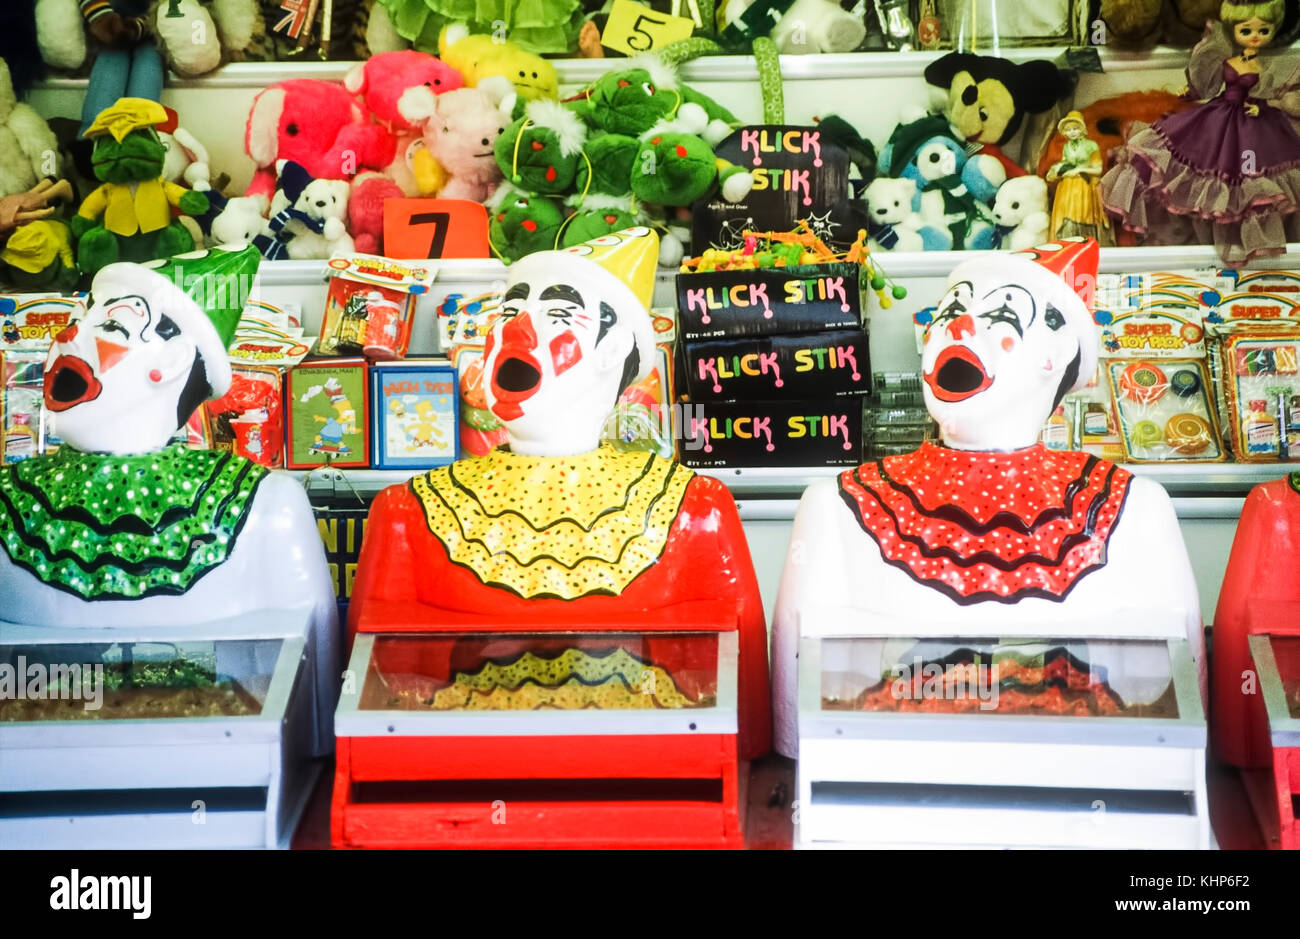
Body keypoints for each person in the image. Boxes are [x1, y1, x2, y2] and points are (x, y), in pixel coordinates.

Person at [349, 227, 772, 759]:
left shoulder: (695, 511)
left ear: (613, 348)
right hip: (454, 785)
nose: (517, 331)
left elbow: (742, 719)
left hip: (655, 785)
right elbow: (371, 717)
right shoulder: (406, 514)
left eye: (558, 316)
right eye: (508, 314)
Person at [1099, 0, 1300, 265]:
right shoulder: (1227, 58)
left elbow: (1266, 93)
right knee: (1190, 160)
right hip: (1221, 115)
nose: (1255, 37)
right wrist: (1190, 92)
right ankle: (1199, 239)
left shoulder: (1262, 67)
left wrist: (1258, 108)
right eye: (1247, 30)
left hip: (1253, 125)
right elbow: (1208, 84)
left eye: (1263, 31)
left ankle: (1249, 243)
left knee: (1248, 178)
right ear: (1233, 30)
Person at [1046, 110, 1113, 245]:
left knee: (1084, 216)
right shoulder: (1066, 147)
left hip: (1085, 188)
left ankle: (1086, 241)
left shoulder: (1091, 145)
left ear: (1082, 129)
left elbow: (1097, 169)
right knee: (1067, 219)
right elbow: (1066, 163)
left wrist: (1079, 169)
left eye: (1075, 128)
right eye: (1069, 129)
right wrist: (1056, 169)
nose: (1072, 132)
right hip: (1067, 189)